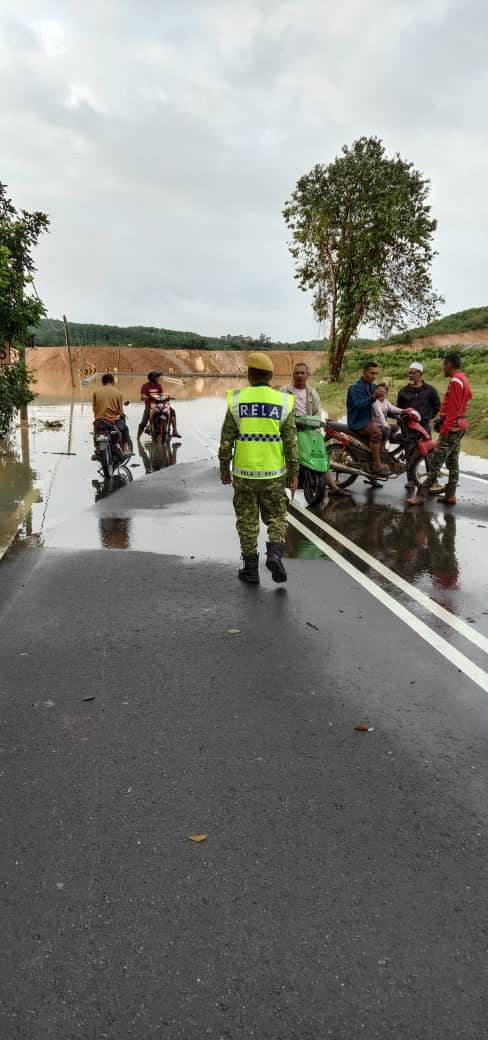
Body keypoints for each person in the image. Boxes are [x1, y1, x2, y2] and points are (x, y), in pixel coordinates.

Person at [218, 351, 298, 585]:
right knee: (277, 516)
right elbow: (291, 443)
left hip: (243, 473)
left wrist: (224, 466)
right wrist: (294, 473)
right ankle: (274, 553)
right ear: (271, 376)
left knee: (247, 520)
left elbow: (226, 440)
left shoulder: (236, 400)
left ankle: (250, 570)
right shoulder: (283, 401)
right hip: (274, 474)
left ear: (250, 375)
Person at [406, 352, 472, 507]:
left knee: (435, 461)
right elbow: (469, 395)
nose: (443, 368)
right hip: (461, 424)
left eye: (444, 364)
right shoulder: (463, 378)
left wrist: (444, 429)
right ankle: (450, 495)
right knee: (452, 460)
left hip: (452, 427)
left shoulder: (455, 380)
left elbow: (453, 410)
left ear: (449, 364)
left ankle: (421, 495)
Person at [282, 361, 350, 496]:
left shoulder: (312, 393)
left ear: (308, 375)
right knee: (287, 455)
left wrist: (310, 424)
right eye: (296, 373)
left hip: (309, 430)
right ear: (293, 375)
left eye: (302, 373)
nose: (299, 376)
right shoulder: (284, 391)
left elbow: (317, 414)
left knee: (319, 455)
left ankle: (332, 487)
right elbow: (280, 412)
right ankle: (282, 486)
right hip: (291, 430)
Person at [346, 361, 389, 476]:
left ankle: (379, 454)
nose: (374, 376)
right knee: (377, 433)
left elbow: (381, 406)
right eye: (371, 373)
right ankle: (377, 465)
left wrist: (399, 413)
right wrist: (374, 397)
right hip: (358, 421)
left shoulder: (373, 386)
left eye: (376, 374)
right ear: (364, 372)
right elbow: (359, 405)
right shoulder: (355, 388)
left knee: (391, 429)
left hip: (370, 420)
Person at [92, 373, 131, 454]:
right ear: (113, 382)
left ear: (103, 382)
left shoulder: (95, 393)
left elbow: (94, 409)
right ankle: (126, 447)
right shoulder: (118, 393)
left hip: (99, 421)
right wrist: (120, 413)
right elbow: (120, 411)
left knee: (96, 432)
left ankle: (97, 449)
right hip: (112, 421)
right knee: (125, 428)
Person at [137, 371, 181, 440]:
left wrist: (167, 397)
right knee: (143, 422)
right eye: (157, 377)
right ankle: (138, 437)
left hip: (159, 405)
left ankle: (174, 431)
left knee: (172, 411)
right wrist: (147, 397)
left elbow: (161, 395)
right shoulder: (145, 386)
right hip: (150, 406)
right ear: (153, 378)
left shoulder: (159, 385)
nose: (159, 379)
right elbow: (142, 396)